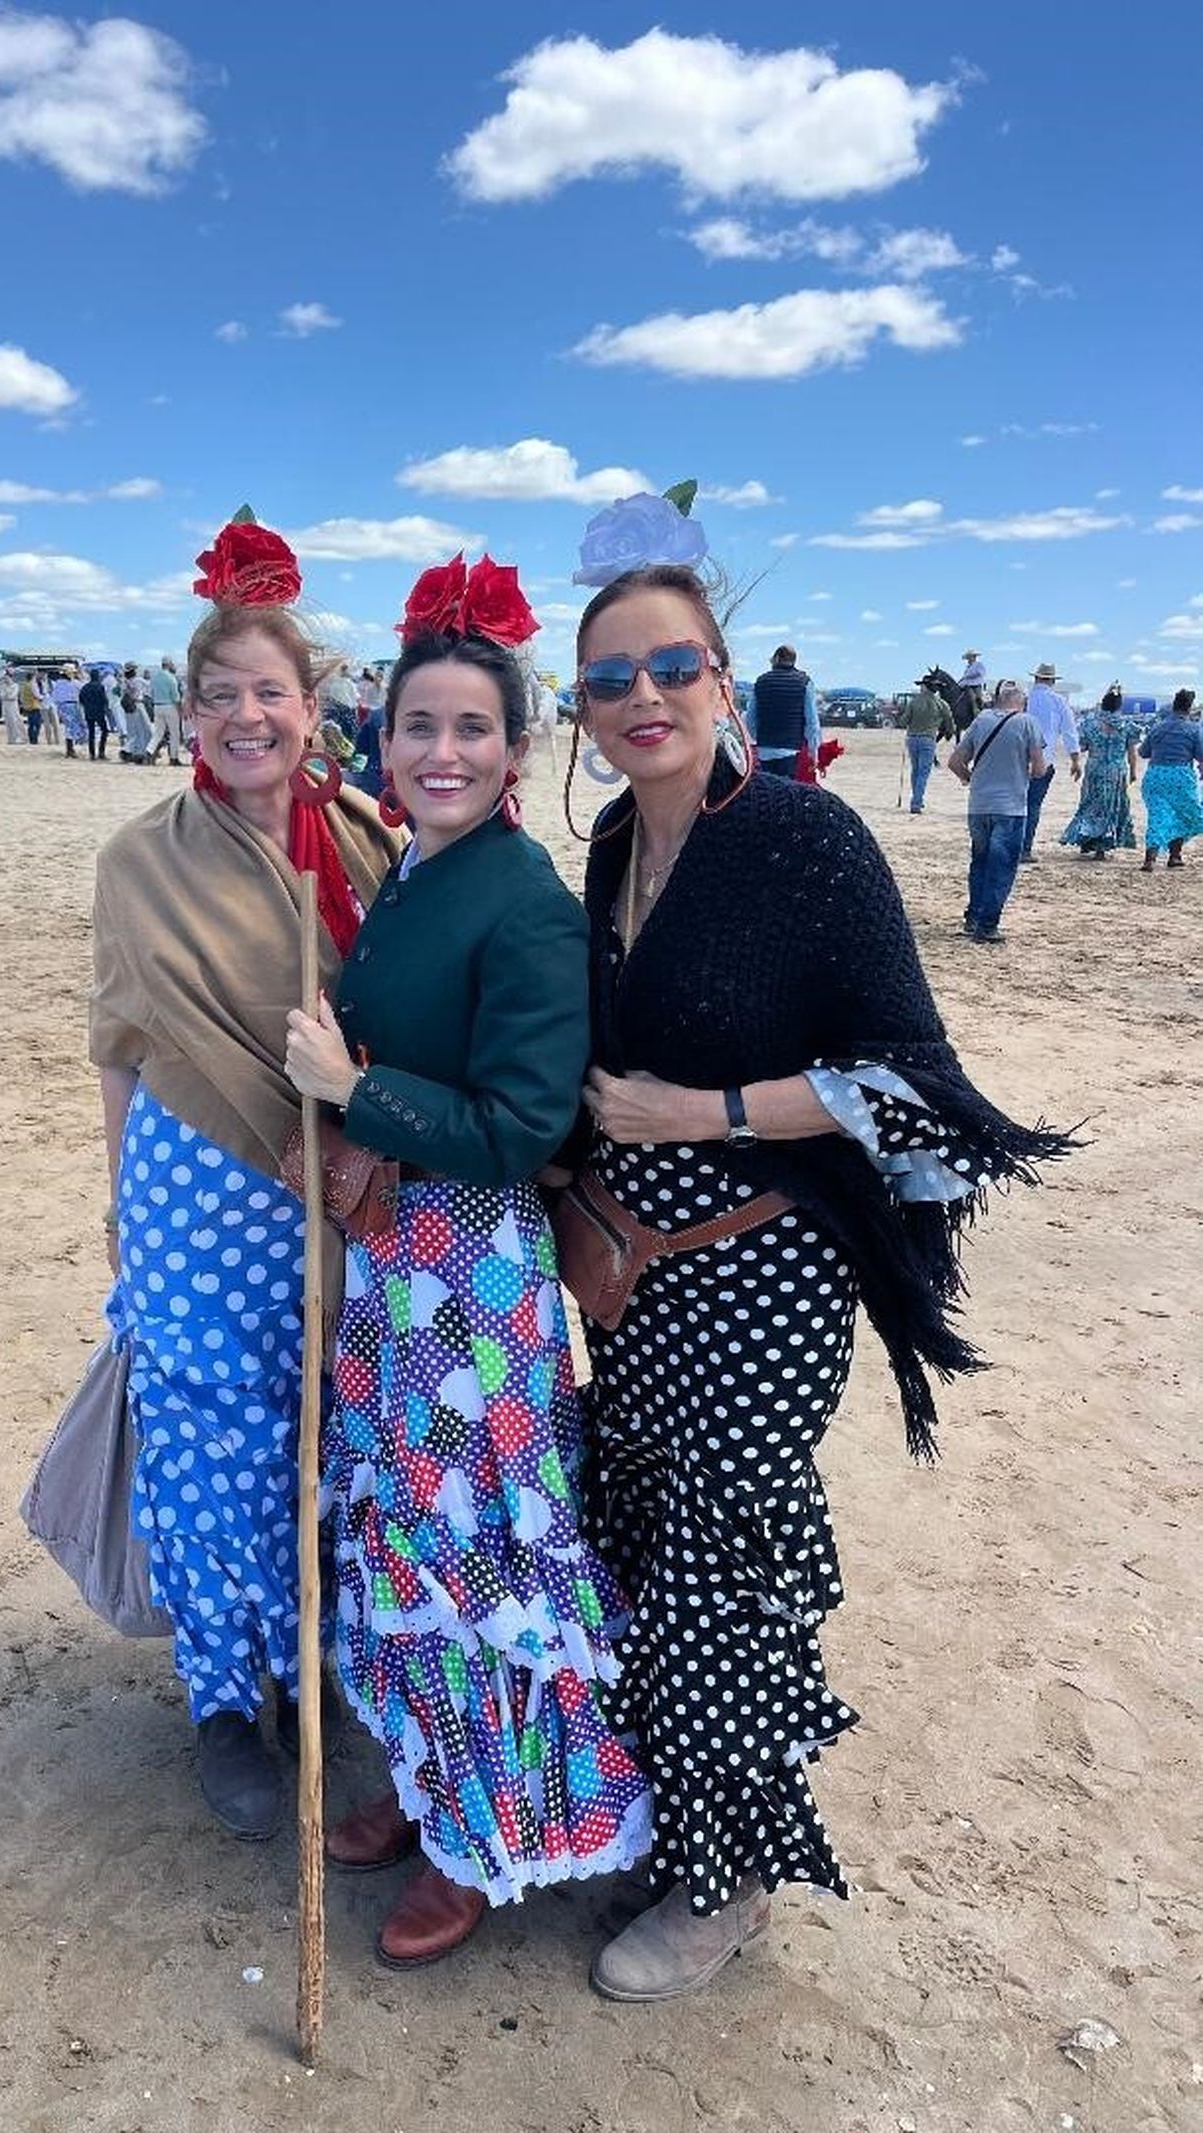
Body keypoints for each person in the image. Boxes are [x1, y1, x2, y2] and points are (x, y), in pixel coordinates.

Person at [558, 509, 1070, 2005]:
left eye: (670, 664)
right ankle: (672, 1812)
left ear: (725, 681)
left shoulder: (807, 839)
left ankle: (726, 1883)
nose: (641, 696)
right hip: (634, 1277)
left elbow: (915, 1081)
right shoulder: (605, 846)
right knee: (642, 1543)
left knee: (724, 1575)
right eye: (608, 679)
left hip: (766, 1276)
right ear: (581, 714)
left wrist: (701, 1108)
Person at [285, 554, 652, 1969]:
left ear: (516, 746)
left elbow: (520, 1128)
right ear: (384, 742)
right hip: (396, 1273)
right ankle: (427, 1781)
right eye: (417, 726)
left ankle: (481, 1838)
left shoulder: (526, 900)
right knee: (399, 1539)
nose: (441, 751)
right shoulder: (416, 870)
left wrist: (349, 1082)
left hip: (471, 1286)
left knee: (465, 1553)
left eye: (470, 728)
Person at [89, 516, 397, 1840]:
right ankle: (225, 1698)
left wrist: (367, 1135)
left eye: (268, 690)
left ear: (312, 700)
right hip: (191, 1186)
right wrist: (117, 1208)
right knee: (211, 1433)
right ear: (187, 710)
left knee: (332, 1423)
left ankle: (324, 1672)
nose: (244, 715)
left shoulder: (377, 843)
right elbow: (117, 1043)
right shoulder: (138, 859)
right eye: (218, 695)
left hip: (339, 1179)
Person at [947, 681, 1047, 942]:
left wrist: (971, 779)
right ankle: (988, 925)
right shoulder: (1028, 723)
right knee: (1001, 867)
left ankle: (973, 917)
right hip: (1010, 807)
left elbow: (955, 762)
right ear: (1022, 702)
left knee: (979, 862)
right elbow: (1039, 769)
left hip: (979, 805)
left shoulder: (981, 720)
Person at [1060, 688, 1138, 858]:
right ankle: (1101, 845)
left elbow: (1082, 746)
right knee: (1110, 806)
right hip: (1116, 770)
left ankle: (1087, 838)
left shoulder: (1091, 724)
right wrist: (1133, 771)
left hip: (1095, 768)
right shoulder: (1127, 726)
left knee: (1091, 803)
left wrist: (1076, 762)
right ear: (1119, 706)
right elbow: (1131, 753)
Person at [1021, 662, 1082, 861]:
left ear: (1036, 678)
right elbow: (1069, 731)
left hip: (1016, 759)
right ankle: (1025, 848)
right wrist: (1075, 759)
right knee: (1033, 805)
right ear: (1052, 681)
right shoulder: (1058, 701)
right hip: (1044, 760)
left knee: (1013, 804)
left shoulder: (1024, 699)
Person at [1137, 688, 1203, 871]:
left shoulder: (1158, 727)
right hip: (1180, 777)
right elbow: (1201, 755)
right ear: (1189, 708)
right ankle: (1175, 856)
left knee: (1157, 816)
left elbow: (1143, 752)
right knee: (1185, 815)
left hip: (1155, 776)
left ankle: (1150, 858)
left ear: (1173, 705)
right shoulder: (1193, 729)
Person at [749, 644, 819, 780]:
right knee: (785, 794)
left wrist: (759, 737)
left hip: (765, 749)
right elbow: (812, 721)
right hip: (791, 750)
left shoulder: (761, 682)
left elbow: (750, 718)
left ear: (776, 658)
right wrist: (813, 751)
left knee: (767, 793)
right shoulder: (804, 682)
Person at [897, 675, 954, 814]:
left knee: (916, 771)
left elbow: (903, 722)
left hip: (912, 739)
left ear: (925, 687)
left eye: (922, 685)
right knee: (923, 772)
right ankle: (916, 802)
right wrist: (947, 733)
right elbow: (950, 724)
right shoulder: (941, 704)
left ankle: (917, 800)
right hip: (928, 739)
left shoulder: (913, 702)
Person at [149, 655, 184, 764]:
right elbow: (175, 697)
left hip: (157, 706)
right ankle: (174, 758)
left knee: (158, 733)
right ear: (169, 664)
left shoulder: (155, 677)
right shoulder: (170, 678)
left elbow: (151, 693)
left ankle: (149, 752)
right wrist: (180, 710)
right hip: (169, 707)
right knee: (174, 734)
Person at [120, 664, 153, 762]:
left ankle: (130, 750)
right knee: (144, 729)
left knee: (132, 730)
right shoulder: (138, 680)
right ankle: (138, 752)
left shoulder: (124, 682)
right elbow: (149, 685)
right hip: (137, 705)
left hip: (127, 707)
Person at [79, 668, 113, 760]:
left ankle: (92, 754)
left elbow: (81, 699)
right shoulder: (100, 686)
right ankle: (101, 752)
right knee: (105, 731)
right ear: (98, 676)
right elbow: (104, 700)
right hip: (99, 712)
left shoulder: (85, 687)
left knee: (91, 733)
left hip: (88, 712)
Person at [0, 669, 27, 746]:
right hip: (6, 706)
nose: (5, 680)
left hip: (13, 707)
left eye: (7, 678)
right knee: (8, 723)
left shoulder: (15, 686)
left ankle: (19, 738)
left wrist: (7, 694)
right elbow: (2, 696)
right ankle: (11, 738)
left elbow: (13, 696)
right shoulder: (3, 686)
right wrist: (6, 694)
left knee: (16, 722)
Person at [19, 670, 44, 746]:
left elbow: (22, 697)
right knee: (37, 724)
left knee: (30, 724)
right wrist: (42, 697)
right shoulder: (33, 685)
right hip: (35, 706)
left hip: (28, 706)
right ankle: (34, 739)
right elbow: (37, 695)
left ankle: (31, 739)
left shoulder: (25, 685)